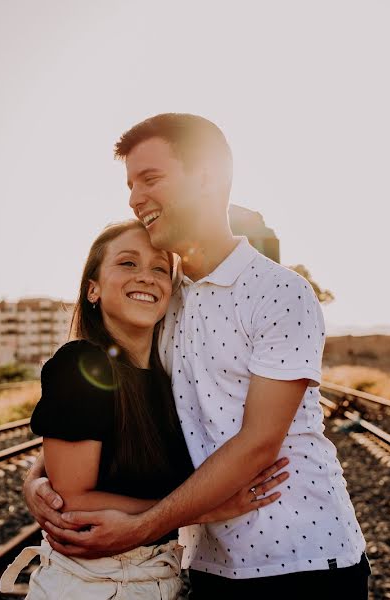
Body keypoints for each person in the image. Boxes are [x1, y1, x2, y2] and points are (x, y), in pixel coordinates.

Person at [25, 113, 371, 598]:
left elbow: (257, 444)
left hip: (300, 560)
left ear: (208, 176)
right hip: (204, 564)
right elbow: (106, 416)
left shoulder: (279, 292)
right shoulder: (166, 300)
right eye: (129, 184)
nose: (134, 197)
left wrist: (141, 528)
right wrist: (39, 479)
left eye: (150, 178)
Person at [0, 220, 289, 598]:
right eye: (127, 263)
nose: (146, 277)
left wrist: (33, 477)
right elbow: (72, 501)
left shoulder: (170, 378)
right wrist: (205, 510)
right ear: (93, 289)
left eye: (159, 268)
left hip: (154, 582)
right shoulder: (82, 364)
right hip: (89, 588)